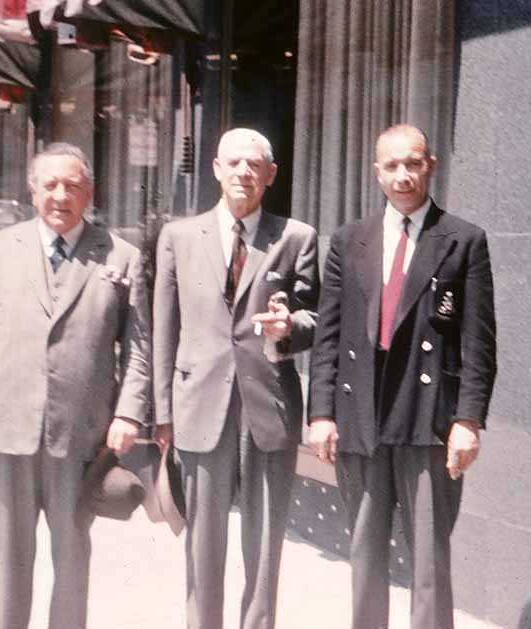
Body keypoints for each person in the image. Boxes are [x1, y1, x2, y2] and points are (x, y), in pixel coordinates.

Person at [0, 142, 151, 629]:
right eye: (51, 185)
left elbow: (142, 346)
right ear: (33, 190)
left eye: (73, 186)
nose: (61, 195)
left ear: (90, 192)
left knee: (71, 556)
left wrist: (128, 413)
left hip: (80, 434)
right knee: (12, 558)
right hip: (9, 426)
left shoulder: (121, 257)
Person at [308, 124, 497, 629]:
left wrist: (468, 421)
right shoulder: (349, 241)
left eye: (412, 163)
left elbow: (478, 344)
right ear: (376, 173)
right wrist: (322, 413)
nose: (403, 175)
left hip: (427, 421)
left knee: (430, 563)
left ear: (430, 165)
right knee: (364, 556)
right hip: (361, 417)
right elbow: (329, 333)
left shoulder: (462, 241)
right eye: (391, 165)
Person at [152, 128, 319, 629]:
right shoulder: (178, 238)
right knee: (203, 545)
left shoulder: (296, 238)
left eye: (255, 165)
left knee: (264, 545)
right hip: (200, 405)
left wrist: (289, 328)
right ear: (216, 170)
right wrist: (162, 414)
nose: (244, 172)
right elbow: (165, 329)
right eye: (235, 163)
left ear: (270, 176)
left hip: (268, 406)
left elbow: (316, 319)